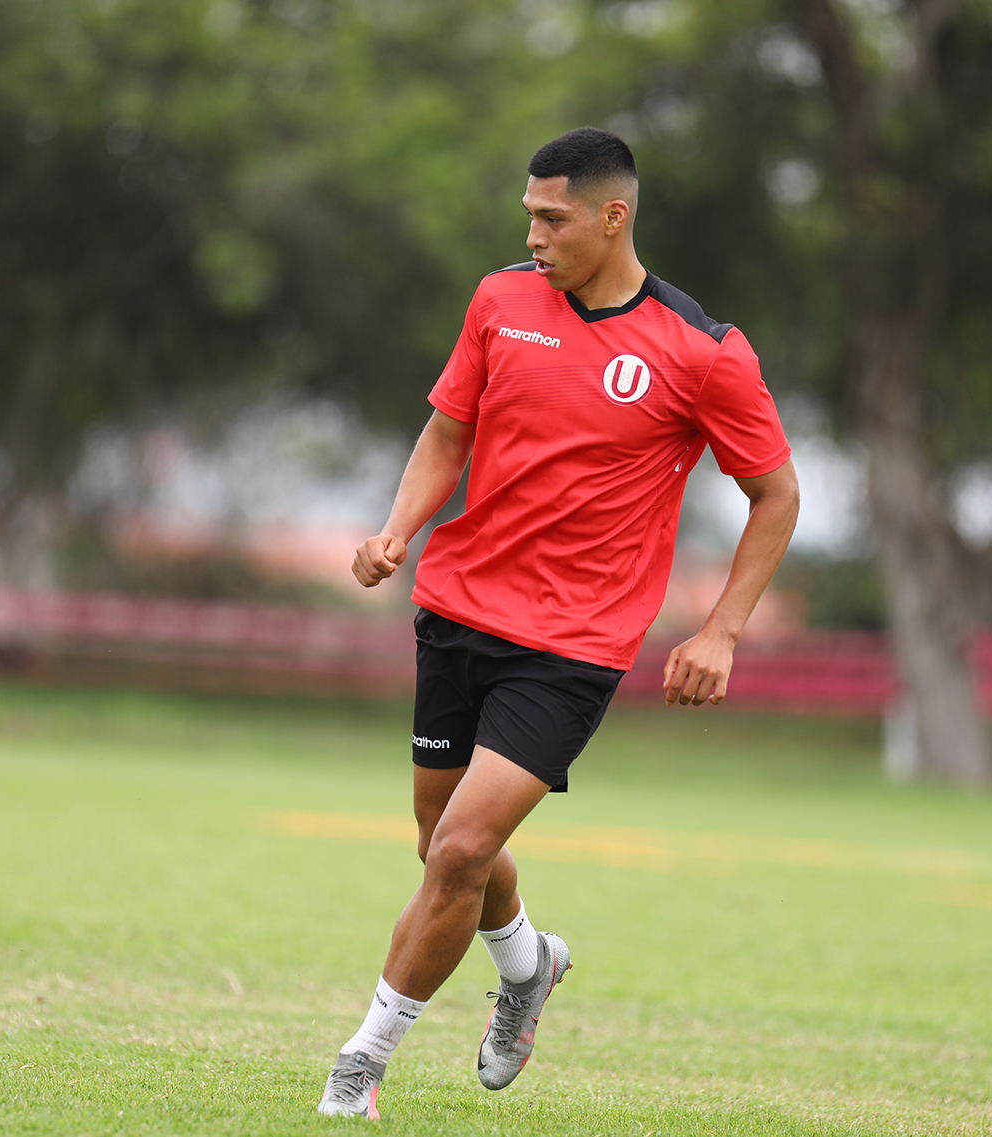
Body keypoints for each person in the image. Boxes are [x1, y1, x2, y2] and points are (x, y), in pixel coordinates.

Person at [316, 127, 799, 1120]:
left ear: (612, 215)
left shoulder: (703, 352)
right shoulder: (499, 301)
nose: (531, 234)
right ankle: (530, 964)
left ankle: (360, 1067)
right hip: (456, 609)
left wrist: (721, 631)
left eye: (551, 218)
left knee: (458, 853)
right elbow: (450, 427)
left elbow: (778, 494)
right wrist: (397, 530)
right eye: (528, 215)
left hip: (574, 643)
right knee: (441, 847)